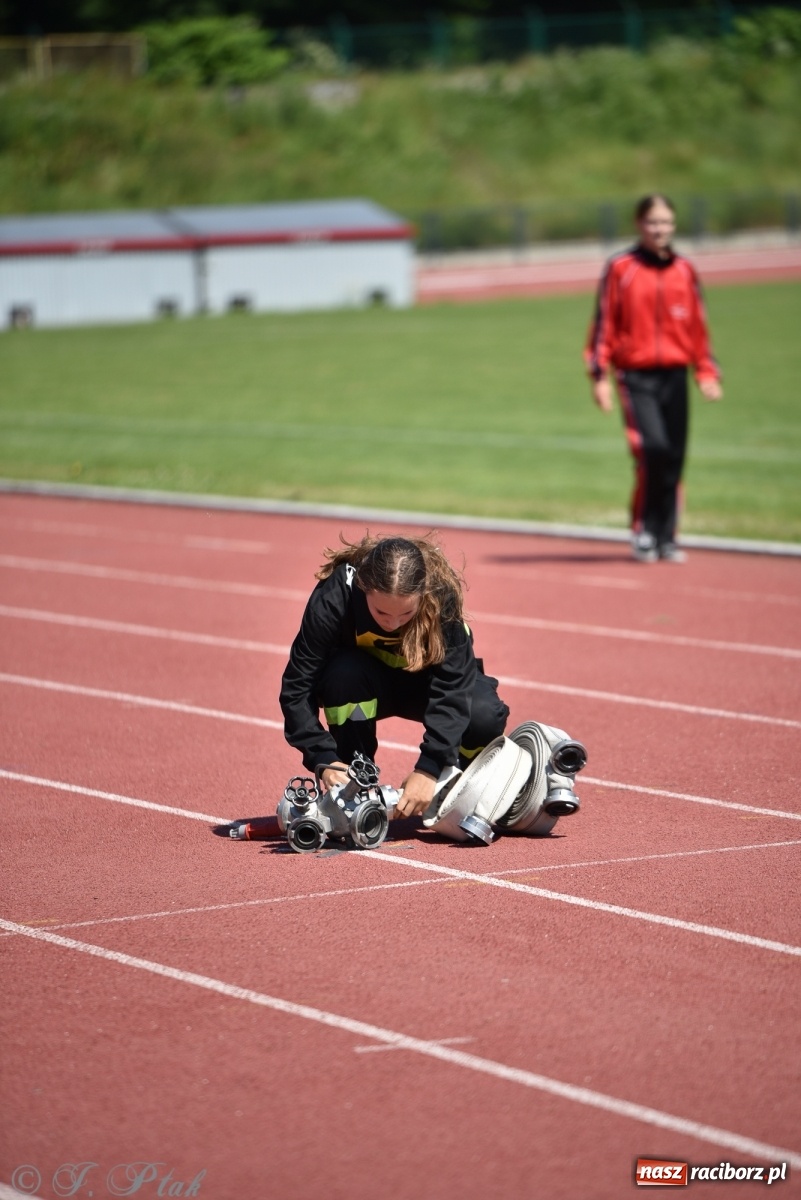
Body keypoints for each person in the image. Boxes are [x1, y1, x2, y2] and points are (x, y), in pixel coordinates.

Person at [279, 533, 510, 819]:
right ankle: (356, 785)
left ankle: (464, 784)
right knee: (342, 674)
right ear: (364, 587)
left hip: (428, 686)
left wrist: (431, 766)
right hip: (366, 685)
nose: (393, 624)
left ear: (423, 594)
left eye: (406, 614)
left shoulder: (440, 593)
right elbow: (297, 686)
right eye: (382, 612)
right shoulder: (337, 595)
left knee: (484, 715)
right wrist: (323, 758)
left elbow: (454, 684)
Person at [584, 194, 723, 563]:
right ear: (639, 225)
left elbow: (698, 326)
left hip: (675, 375)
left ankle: (667, 536)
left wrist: (705, 371)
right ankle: (644, 530)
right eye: (652, 222)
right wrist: (599, 376)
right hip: (636, 376)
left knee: (674, 457)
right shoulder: (621, 268)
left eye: (666, 222)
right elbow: (604, 323)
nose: (660, 229)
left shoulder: (684, 270)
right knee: (653, 450)